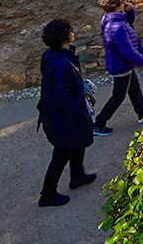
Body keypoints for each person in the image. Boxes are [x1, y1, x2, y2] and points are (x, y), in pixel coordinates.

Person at [35, 19, 97, 206]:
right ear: (64, 37)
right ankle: (47, 195)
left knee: (78, 143)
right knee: (61, 154)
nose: (73, 32)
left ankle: (77, 175)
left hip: (61, 114)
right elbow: (61, 95)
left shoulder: (54, 55)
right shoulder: (60, 62)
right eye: (70, 30)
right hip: (62, 117)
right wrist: (76, 113)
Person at [93, 0, 143, 135]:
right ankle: (98, 124)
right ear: (118, 5)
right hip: (121, 66)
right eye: (122, 2)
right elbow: (127, 51)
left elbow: (129, 22)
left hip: (122, 64)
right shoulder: (116, 27)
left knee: (134, 87)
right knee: (118, 96)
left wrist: (130, 11)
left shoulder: (111, 19)